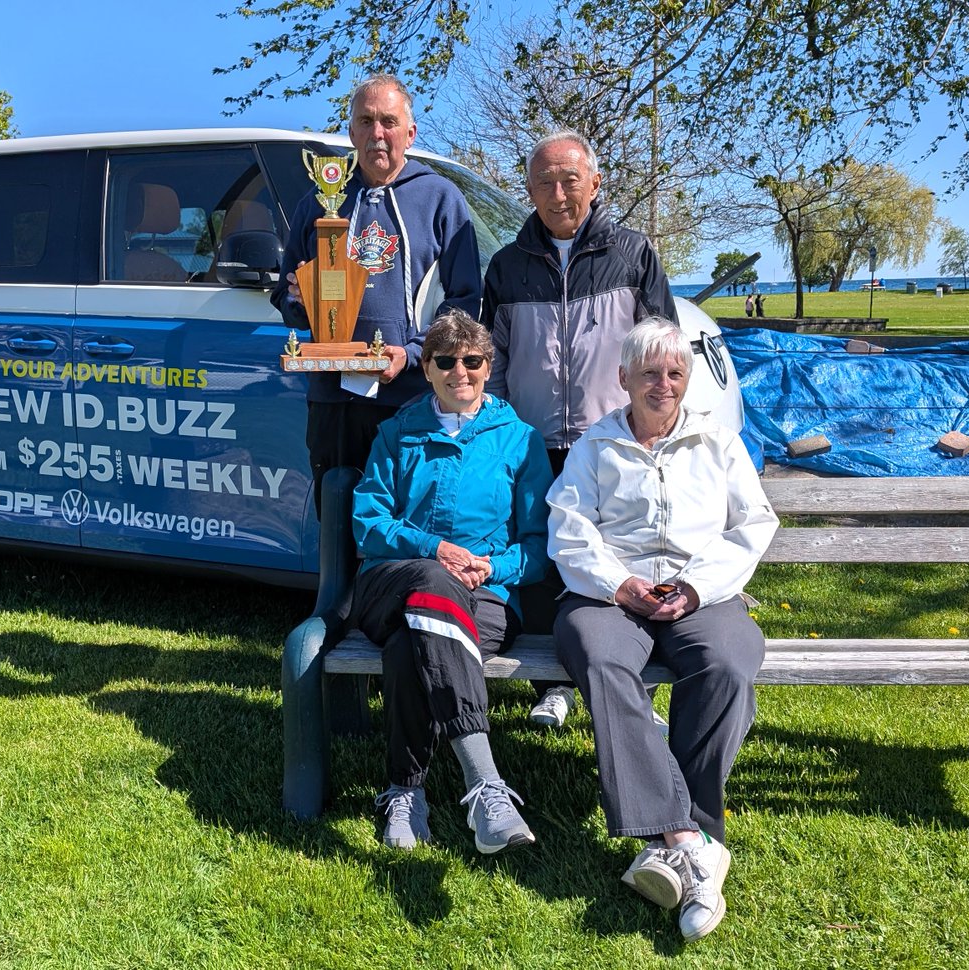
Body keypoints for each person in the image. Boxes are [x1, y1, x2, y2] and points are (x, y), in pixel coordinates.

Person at [547, 319, 778, 941]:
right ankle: (691, 839)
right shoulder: (594, 445)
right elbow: (569, 528)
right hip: (609, 594)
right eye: (650, 373)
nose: (663, 385)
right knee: (599, 658)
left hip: (698, 592)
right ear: (623, 379)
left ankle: (675, 844)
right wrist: (617, 583)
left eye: (675, 373)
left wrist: (698, 586)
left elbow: (753, 522)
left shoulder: (717, 442)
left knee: (729, 660)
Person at [481, 129, 677, 729]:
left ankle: (627, 685)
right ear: (530, 191)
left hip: (611, 440)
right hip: (533, 441)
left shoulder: (633, 253)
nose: (559, 193)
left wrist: (650, 427)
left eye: (571, 179)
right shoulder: (508, 266)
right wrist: (502, 431)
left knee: (613, 556)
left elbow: (661, 346)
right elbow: (495, 360)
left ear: (594, 182)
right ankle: (552, 680)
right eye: (545, 182)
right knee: (546, 557)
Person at [350, 310, 553, 854]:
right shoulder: (396, 434)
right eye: (446, 361)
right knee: (430, 584)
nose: (459, 371)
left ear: (489, 367)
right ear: (426, 366)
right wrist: (432, 549)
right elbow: (367, 524)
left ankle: (404, 790)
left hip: (485, 596)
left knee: (410, 642)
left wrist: (494, 567)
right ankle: (485, 783)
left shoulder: (520, 441)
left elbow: (540, 547)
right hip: (390, 584)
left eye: (473, 361)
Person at [271, 74, 482, 516]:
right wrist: (301, 298)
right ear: (351, 132)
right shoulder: (318, 203)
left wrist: (414, 351)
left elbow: (465, 299)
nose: (377, 133)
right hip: (335, 398)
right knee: (338, 515)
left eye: (388, 121)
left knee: (414, 517)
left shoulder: (441, 198)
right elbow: (287, 300)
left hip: (414, 395)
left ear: (410, 132)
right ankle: (339, 589)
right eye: (365, 121)